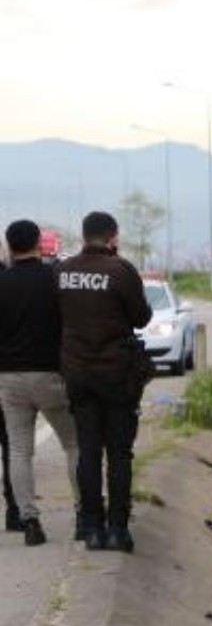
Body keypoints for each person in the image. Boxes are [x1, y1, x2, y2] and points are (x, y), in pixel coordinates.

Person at [57, 212, 152, 552]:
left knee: (88, 452)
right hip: (116, 375)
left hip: (78, 374)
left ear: (84, 236)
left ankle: (92, 529)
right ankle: (117, 530)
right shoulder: (120, 270)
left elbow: (57, 318)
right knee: (119, 453)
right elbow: (142, 317)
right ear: (113, 237)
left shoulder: (64, 271)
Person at [0, 220, 81, 546]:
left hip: (9, 378)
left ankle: (29, 520)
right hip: (51, 375)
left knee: (19, 450)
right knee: (73, 444)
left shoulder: (1, 282)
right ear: (38, 244)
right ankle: (84, 513)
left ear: (9, 246)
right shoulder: (55, 280)